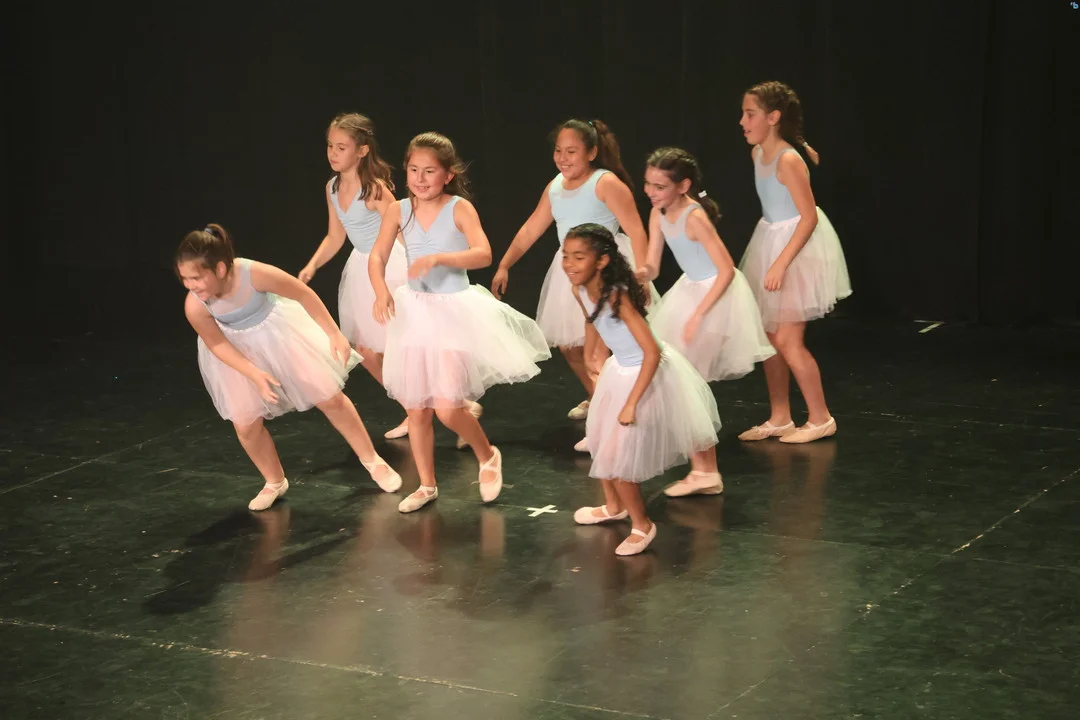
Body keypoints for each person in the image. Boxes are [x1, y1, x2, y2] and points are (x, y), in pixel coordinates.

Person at [369, 132, 551, 513]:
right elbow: (378, 256)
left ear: (448, 175)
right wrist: (380, 290)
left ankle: (488, 454)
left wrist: (440, 259)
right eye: (414, 170)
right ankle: (426, 485)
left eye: (429, 171)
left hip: (453, 311)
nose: (420, 179)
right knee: (417, 409)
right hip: (414, 312)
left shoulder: (458, 208)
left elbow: (483, 254)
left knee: (448, 408)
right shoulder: (398, 210)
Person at [176, 223, 403, 511]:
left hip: (278, 334)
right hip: (236, 352)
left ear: (220, 269)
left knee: (329, 397)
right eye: (184, 279)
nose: (190, 285)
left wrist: (333, 333)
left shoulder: (253, 273)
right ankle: (274, 481)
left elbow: (303, 294)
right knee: (245, 424)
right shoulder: (195, 306)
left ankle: (372, 460)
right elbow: (217, 344)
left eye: (196, 278)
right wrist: (253, 373)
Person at [563, 223, 721, 555]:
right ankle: (613, 506)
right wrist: (591, 353)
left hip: (645, 374)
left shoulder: (617, 296)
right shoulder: (579, 289)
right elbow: (592, 319)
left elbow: (652, 352)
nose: (570, 264)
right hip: (619, 369)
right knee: (600, 443)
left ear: (602, 261)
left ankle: (642, 525)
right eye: (566, 256)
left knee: (619, 457)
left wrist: (631, 403)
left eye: (579, 257)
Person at [737, 81, 852, 444]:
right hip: (770, 239)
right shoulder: (758, 154)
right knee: (770, 336)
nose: (742, 122)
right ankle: (780, 416)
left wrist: (780, 263)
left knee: (788, 339)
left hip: (798, 248)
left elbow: (808, 217)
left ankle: (821, 417)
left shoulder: (787, 160)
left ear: (773, 118)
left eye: (750, 114)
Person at [298, 113, 411, 439]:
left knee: (400, 346)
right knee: (366, 350)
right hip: (361, 270)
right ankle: (413, 408)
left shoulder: (374, 189)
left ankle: (455, 406)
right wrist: (313, 264)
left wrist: (416, 271)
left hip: (389, 266)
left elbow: (402, 231)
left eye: (341, 147)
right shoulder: (332, 188)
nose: (333, 153)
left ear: (362, 150)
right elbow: (336, 236)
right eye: (330, 146)